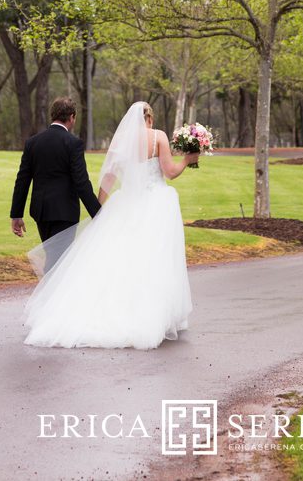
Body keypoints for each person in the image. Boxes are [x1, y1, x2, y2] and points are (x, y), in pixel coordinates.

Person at [22, 100, 198, 349]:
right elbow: (169, 172)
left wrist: (99, 211)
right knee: (154, 260)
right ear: (150, 119)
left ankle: (108, 310)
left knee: (119, 259)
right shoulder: (158, 137)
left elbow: (107, 179)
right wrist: (188, 160)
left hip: (125, 204)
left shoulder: (120, 142)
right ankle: (153, 314)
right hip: (156, 203)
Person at [10, 97, 101, 270]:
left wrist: (16, 214)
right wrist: (97, 213)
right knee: (59, 263)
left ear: (53, 115)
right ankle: (47, 296)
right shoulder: (73, 143)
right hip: (64, 212)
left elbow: (22, 180)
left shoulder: (33, 142)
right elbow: (81, 182)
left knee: (54, 257)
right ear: (72, 117)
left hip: (41, 212)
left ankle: (49, 294)